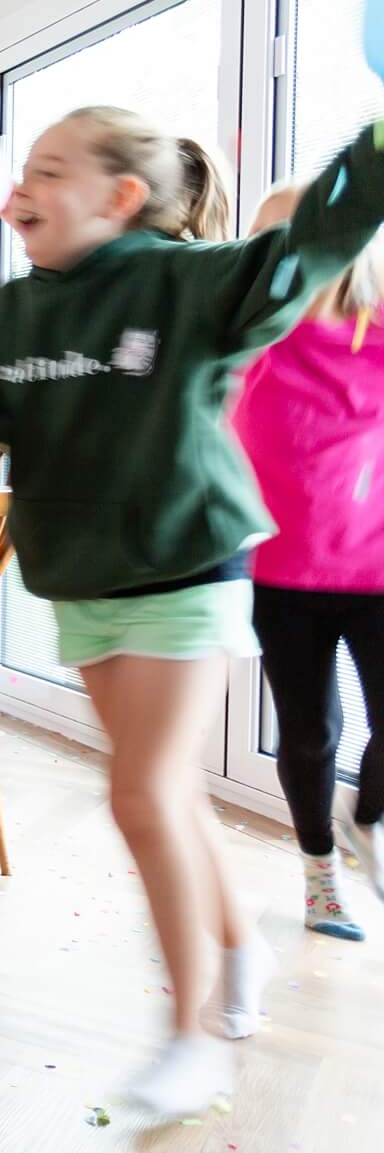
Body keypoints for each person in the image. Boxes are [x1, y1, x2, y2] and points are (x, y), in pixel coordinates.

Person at [0, 107, 384, 1118]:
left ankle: (189, 1036)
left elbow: (310, 245)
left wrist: (374, 152)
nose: (18, 186)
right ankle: (237, 956)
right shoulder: (12, 311)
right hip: (82, 581)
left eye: (47, 170)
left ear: (118, 197)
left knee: (138, 795)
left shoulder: (181, 283)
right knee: (167, 798)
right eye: (20, 170)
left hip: (184, 570)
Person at [230, 182, 384, 941]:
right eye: (267, 241)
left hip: (376, 568)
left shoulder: (378, 328)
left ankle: (368, 816)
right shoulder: (248, 337)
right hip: (279, 574)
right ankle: (320, 877)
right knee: (309, 731)